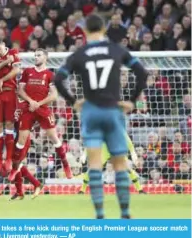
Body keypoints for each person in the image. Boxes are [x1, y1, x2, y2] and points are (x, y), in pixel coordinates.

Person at [54, 14, 148, 219]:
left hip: (91, 111)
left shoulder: (80, 53)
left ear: (85, 31)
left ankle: (100, 214)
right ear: (104, 30)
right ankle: (124, 212)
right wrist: (130, 99)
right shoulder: (116, 50)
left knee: (95, 164)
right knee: (120, 164)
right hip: (113, 110)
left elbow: (58, 78)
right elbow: (141, 73)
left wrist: (73, 101)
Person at [10, 48, 73, 181]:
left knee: (54, 138)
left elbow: (54, 95)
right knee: (21, 141)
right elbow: (20, 90)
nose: (36, 57)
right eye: (35, 55)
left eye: (39, 55)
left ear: (45, 57)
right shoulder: (28, 72)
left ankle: (66, 165)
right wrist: (31, 101)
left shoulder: (50, 74)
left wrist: (39, 103)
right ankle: (15, 169)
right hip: (28, 109)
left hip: (43, 109)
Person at [0, 93, 43, 201]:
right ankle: (24, 189)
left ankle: (29, 186)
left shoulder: (19, 104)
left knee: (14, 163)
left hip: (20, 137)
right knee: (11, 163)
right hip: (8, 134)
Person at [0, 38, 21, 173]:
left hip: (10, 93)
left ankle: (8, 159)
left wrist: (2, 79)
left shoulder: (14, 52)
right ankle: (0, 160)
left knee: (9, 125)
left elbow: (16, 71)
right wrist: (7, 61)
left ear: (3, 45)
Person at [79, 134, 147, 194]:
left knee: (128, 169)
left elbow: (126, 137)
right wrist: (84, 154)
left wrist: (132, 152)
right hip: (104, 149)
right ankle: (82, 190)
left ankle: (140, 190)